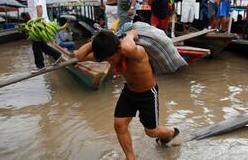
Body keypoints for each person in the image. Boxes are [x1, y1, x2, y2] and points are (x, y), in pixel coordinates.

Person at [74, 29, 181, 160]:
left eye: (111, 59)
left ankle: (171, 132)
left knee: (151, 132)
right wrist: (98, 40)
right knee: (119, 124)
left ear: (119, 49)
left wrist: (130, 34)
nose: (111, 63)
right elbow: (79, 56)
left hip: (147, 94)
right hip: (129, 92)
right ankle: (131, 158)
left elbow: (127, 46)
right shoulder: (110, 52)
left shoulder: (136, 52)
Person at [15, 0, 62, 73]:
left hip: (40, 23)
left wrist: (38, 22)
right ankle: (57, 55)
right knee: (40, 45)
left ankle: (40, 66)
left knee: (36, 46)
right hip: (38, 23)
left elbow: (39, 7)